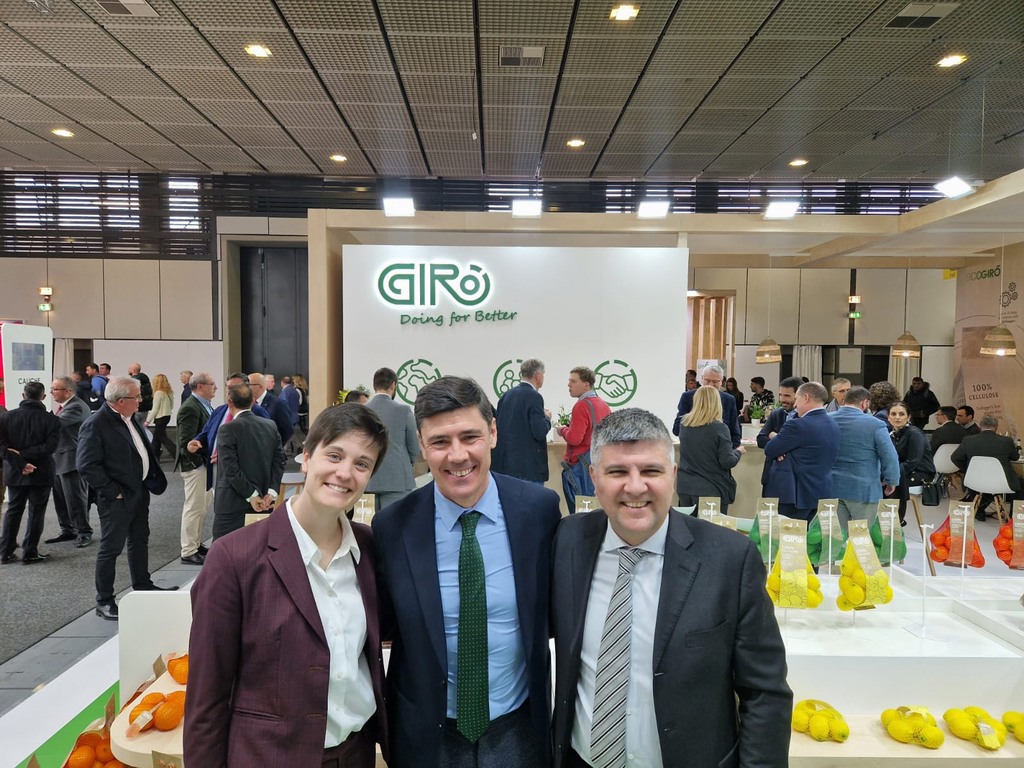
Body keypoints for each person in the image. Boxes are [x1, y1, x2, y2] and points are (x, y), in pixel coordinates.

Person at [550, 408, 792, 768]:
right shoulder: (567, 540)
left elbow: (764, 692)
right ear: (594, 477)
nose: (635, 487)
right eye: (617, 472)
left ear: (673, 476)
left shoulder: (730, 558)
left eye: (651, 471)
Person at [185, 404, 391, 768]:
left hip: (355, 754)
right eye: (334, 455)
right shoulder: (235, 557)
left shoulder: (370, 549)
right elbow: (207, 695)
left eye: (362, 464)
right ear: (306, 457)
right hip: (269, 756)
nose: (345, 473)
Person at [372, 376, 561, 768]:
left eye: (470, 436)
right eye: (440, 441)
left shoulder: (538, 511)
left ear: (493, 433)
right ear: (421, 444)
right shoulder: (393, 527)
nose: (457, 455)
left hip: (519, 727)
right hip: (427, 735)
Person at [76, 376, 174, 621]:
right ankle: (104, 601)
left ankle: (143, 586)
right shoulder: (96, 424)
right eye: (136, 397)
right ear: (120, 401)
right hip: (116, 497)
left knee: (139, 540)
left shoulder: (130, 418)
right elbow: (86, 465)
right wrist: (113, 491)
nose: (141, 400)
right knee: (111, 548)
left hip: (139, 491)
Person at [211, 383, 286, 539]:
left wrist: (252, 495)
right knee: (257, 548)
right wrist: (271, 492)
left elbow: (230, 469)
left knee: (225, 549)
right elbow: (279, 461)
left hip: (232, 503)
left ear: (229, 402)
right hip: (264, 501)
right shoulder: (270, 425)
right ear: (253, 401)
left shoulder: (227, 429)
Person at [0, 382, 61, 564]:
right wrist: (26, 459)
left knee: (13, 510)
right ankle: (30, 552)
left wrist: (20, 460)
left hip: (15, 471)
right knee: (36, 512)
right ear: (43, 397)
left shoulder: (5, 417)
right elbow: (50, 447)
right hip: (41, 471)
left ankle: (5, 551)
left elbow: (2, 448)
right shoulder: (52, 420)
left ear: (23, 395)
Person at [763, 381, 840, 522]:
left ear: (806, 398)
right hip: (821, 492)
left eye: (797, 399)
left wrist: (776, 439)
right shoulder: (833, 424)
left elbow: (770, 449)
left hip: (796, 495)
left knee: (789, 535)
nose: (795, 405)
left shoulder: (797, 425)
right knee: (812, 535)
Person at [830, 386, 900, 530]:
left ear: (844, 401)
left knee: (835, 537)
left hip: (831, 487)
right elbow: (889, 456)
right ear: (864, 403)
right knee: (864, 537)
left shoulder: (827, 420)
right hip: (864, 489)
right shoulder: (875, 424)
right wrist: (892, 480)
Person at [676, 385, 745, 514]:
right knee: (711, 526)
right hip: (711, 487)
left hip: (685, 487)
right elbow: (727, 461)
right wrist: (738, 452)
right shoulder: (719, 428)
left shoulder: (684, 425)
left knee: (688, 525)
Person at [47, 377, 94, 548]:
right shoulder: (66, 406)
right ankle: (67, 529)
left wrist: (34, 414)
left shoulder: (76, 406)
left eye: (55, 389)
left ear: (68, 391)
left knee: (76, 498)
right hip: (59, 458)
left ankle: (84, 531)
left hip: (71, 459)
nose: (51, 392)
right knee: (61, 498)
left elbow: (56, 424)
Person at [365, 367, 421, 512]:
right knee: (396, 521)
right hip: (398, 479)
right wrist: (407, 463)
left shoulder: (362, 411)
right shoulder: (404, 410)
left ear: (374, 385)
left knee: (366, 522)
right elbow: (414, 446)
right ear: (393, 385)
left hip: (368, 479)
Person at [557, 366, 612, 511]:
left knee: (579, 511)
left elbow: (574, 439)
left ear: (586, 384)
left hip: (580, 466)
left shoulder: (581, 406)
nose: (569, 385)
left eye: (573, 381)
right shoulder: (603, 405)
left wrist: (562, 430)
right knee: (592, 509)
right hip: (596, 463)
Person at [176, 372, 216, 565]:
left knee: (201, 507)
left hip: (205, 465)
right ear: (200, 386)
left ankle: (196, 544)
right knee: (193, 507)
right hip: (195, 466)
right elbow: (186, 441)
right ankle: (188, 550)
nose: (215, 387)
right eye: (212, 384)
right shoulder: (190, 407)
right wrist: (198, 462)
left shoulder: (204, 405)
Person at [491, 358, 552, 484]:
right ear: (538, 375)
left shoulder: (506, 395)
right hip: (528, 468)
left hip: (506, 466)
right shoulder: (534, 397)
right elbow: (539, 431)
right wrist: (546, 418)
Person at [952, 413, 1021, 522]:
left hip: (974, 481)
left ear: (980, 426)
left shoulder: (968, 440)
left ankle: (979, 510)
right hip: (1000, 482)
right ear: (996, 427)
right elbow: (1015, 457)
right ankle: (1015, 517)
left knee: (980, 485)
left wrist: (968, 470)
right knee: (1020, 483)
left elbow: (955, 457)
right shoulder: (1006, 441)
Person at [887, 401, 935, 526]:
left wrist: (890, 474)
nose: (897, 417)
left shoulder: (914, 433)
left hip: (920, 473)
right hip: (903, 470)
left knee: (890, 480)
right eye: (893, 414)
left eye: (901, 414)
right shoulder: (892, 434)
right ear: (888, 417)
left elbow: (913, 463)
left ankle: (896, 520)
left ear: (908, 417)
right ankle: (883, 519)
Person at [673, 364, 741, 447]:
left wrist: (727, 450)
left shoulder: (729, 400)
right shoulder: (688, 397)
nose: (711, 385)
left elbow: (735, 433)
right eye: (707, 380)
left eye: (715, 381)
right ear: (702, 379)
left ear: (721, 382)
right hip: (694, 449)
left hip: (720, 450)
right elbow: (677, 429)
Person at [756, 376, 803, 495]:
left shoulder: (805, 417)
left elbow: (799, 445)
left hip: (795, 479)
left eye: (787, 396)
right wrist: (778, 448)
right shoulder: (776, 414)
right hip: (771, 476)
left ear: (799, 396)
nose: (782, 399)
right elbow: (760, 439)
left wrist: (774, 438)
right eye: (780, 395)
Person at [248, 372, 294, 447]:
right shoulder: (247, 403)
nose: (246, 388)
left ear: (260, 386)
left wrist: (276, 447)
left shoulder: (278, 404)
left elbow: (288, 429)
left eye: (249, 385)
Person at [145, 373, 176, 462]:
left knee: (162, 438)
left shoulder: (158, 393)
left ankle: (176, 453)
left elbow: (155, 409)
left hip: (160, 417)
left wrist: (147, 421)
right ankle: (155, 457)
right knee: (156, 438)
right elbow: (171, 406)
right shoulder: (169, 392)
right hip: (167, 416)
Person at [279, 374, 303, 455]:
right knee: (290, 432)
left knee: (287, 432)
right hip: (294, 414)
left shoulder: (285, 392)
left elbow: (284, 404)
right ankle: (290, 448)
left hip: (287, 415)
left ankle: (288, 449)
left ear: (282, 382)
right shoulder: (294, 391)